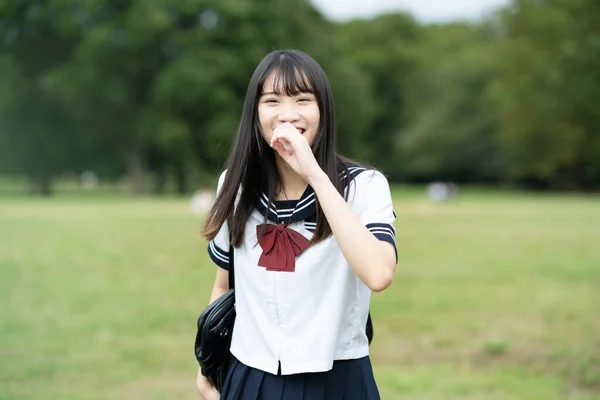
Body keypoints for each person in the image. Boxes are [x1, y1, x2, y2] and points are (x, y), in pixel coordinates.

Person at [196, 49, 397, 400]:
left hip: (337, 380)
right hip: (249, 378)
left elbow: (379, 274)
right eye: (272, 100)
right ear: (255, 113)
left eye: (303, 99)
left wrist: (315, 175)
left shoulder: (363, 186)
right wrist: (208, 368)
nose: (288, 114)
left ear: (323, 111)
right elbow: (223, 287)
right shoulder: (236, 185)